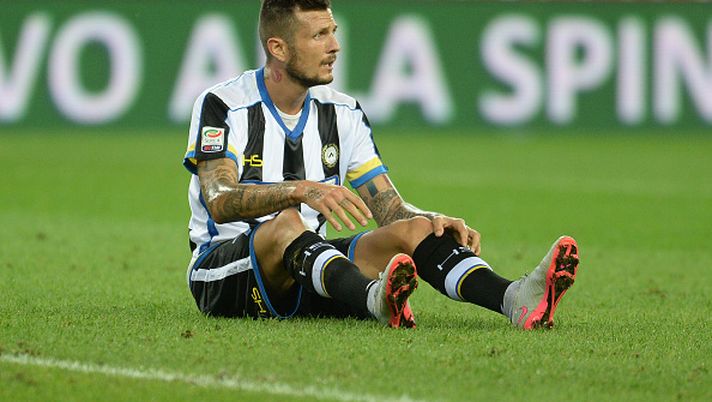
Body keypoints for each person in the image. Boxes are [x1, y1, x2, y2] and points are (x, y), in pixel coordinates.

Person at [182, 0, 580, 330]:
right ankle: (374, 298)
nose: (335, 46)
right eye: (319, 35)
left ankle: (515, 299)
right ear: (279, 49)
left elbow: (389, 209)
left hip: (310, 268)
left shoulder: (343, 112)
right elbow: (219, 198)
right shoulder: (224, 104)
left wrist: (431, 219)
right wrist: (300, 190)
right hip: (225, 274)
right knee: (287, 222)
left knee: (414, 229)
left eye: (333, 31)